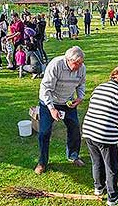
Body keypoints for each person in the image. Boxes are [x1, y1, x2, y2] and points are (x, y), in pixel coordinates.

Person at [82, 66, 118, 205]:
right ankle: (113, 197)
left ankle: (98, 188)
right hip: (104, 134)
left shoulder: (99, 87)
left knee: (96, 161)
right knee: (111, 166)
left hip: (89, 130)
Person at [35, 46, 86, 174]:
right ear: (68, 60)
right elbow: (45, 89)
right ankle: (42, 162)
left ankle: (73, 155)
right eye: (77, 63)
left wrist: (80, 97)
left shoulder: (81, 68)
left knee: (74, 128)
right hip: (49, 102)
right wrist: (52, 109)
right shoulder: (55, 65)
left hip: (67, 102)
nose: (79, 66)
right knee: (44, 132)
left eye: (81, 63)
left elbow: (81, 84)